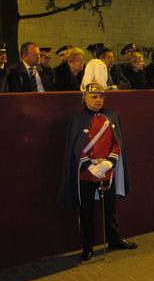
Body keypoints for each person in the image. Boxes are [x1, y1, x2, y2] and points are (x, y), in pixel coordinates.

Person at [59, 82, 138, 261]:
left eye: (101, 96)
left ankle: (114, 240)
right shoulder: (77, 119)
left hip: (107, 171)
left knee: (110, 210)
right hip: (86, 173)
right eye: (94, 96)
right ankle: (87, 246)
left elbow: (117, 143)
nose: (98, 100)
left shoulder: (112, 115)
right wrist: (90, 166)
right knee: (86, 211)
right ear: (84, 98)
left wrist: (110, 162)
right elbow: (75, 148)